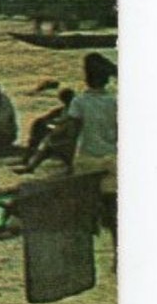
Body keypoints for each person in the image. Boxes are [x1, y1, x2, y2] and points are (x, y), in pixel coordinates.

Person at [66, 52, 118, 236]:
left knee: (84, 216)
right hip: (112, 162)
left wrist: (68, 165)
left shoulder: (79, 102)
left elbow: (72, 136)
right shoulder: (114, 102)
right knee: (114, 218)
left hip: (87, 163)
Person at [14, 88, 77, 173]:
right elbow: (50, 118)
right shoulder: (64, 109)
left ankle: (29, 164)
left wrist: (54, 125)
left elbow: (70, 125)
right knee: (40, 125)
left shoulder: (76, 111)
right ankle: (29, 161)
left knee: (48, 144)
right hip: (64, 134)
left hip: (73, 138)